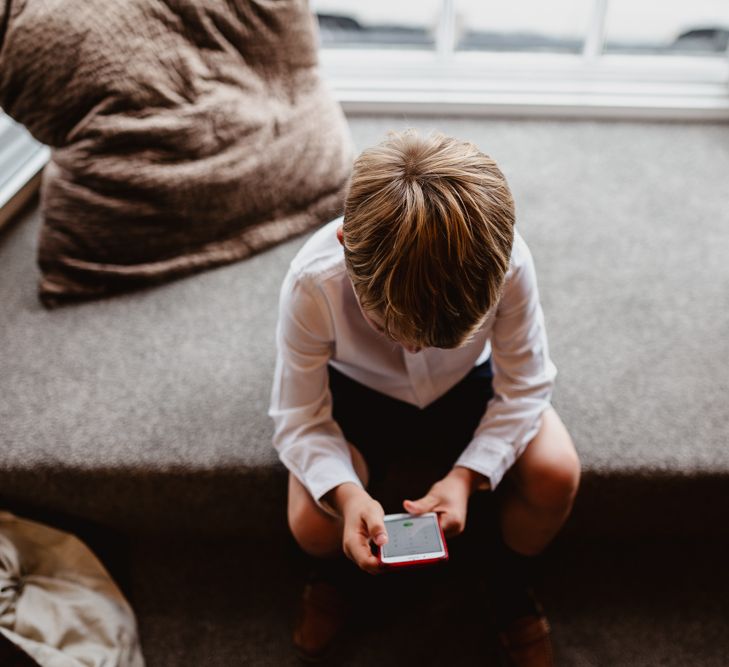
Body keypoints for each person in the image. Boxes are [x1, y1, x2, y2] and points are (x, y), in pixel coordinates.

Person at [269, 130, 581, 666]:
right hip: (357, 393)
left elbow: (526, 384)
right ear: (347, 247)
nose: (413, 348)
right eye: (390, 328)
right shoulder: (311, 283)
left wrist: (469, 475)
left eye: (432, 338)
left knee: (557, 472)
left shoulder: (507, 261)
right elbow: (298, 415)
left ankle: (506, 579)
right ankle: (340, 573)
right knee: (310, 520)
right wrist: (346, 496)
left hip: (470, 385)